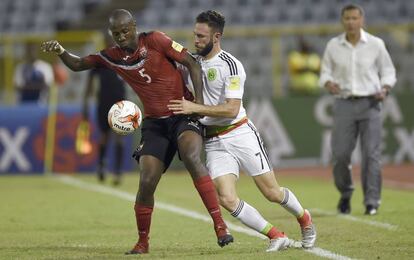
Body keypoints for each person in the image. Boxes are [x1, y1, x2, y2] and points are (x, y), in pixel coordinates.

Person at [41, 9, 233, 254]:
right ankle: (143, 242)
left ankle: (220, 225)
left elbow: (192, 63)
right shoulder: (111, 56)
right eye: (116, 33)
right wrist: (60, 51)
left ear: (134, 26)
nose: (121, 36)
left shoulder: (156, 39)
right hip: (155, 125)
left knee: (191, 156)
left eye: (125, 30)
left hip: (183, 114)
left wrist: (198, 104)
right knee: (146, 180)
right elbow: (78, 65)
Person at [168, 10, 316, 251]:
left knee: (272, 193)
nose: (196, 40)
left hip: (239, 133)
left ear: (216, 37)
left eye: (201, 36)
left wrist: (193, 107)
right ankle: (276, 235)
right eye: (195, 35)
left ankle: (305, 219)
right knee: (226, 198)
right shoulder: (191, 63)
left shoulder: (231, 65)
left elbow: (231, 109)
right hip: (214, 140)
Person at [319, 4, 396, 215]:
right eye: (347, 18)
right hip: (343, 103)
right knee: (341, 155)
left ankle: (372, 201)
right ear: (342, 21)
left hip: (371, 103)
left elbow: (388, 71)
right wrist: (328, 83)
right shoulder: (333, 45)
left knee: (371, 155)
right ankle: (345, 192)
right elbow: (324, 72)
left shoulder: (376, 44)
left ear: (362, 20)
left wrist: (385, 87)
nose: (351, 22)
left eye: (354, 18)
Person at [81, 33, 126, 185]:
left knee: (119, 135)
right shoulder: (100, 60)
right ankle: (101, 165)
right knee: (104, 136)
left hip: (121, 104)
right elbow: (90, 82)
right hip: (104, 103)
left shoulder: (123, 58)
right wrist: (86, 103)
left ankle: (118, 171)